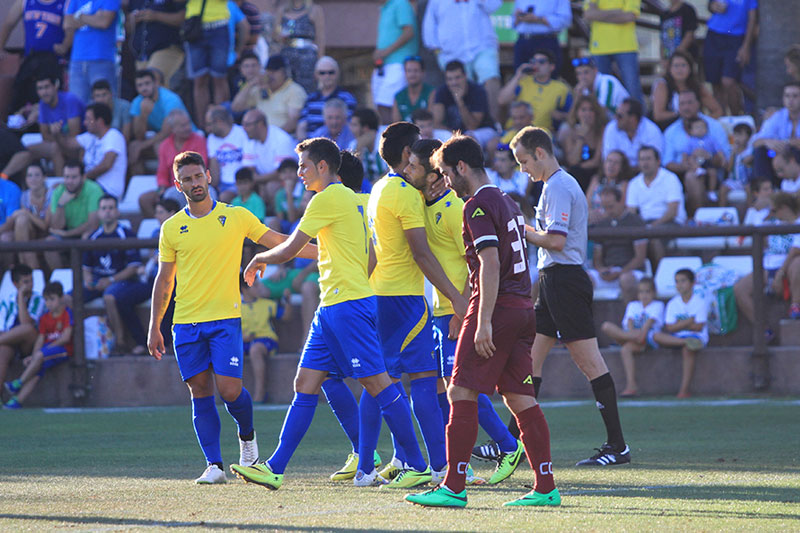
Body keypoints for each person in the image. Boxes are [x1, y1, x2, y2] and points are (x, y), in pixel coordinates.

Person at [229, 137, 431, 489]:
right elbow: (350, 253)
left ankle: (416, 463)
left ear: (323, 166)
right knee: (305, 383)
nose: (299, 174)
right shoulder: (358, 200)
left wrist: (259, 257)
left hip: (347, 305)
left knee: (378, 382)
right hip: (335, 305)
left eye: (304, 167)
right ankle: (275, 466)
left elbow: (291, 247)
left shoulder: (326, 198)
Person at [406, 134, 560, 508]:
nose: (443, 182)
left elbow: (490, 264)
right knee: (520, 397)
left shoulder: (476, 205)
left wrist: (484, 321)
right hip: (522, 307)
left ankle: (454, 486)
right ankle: (545, 486)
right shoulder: (507, 201)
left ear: (461, 168)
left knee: (460, 392)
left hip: (498, 308)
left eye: (444, 173)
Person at [147, 150, 314, 484]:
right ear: (177, 185)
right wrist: (155, 326)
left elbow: (278, 241)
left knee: (230, 390)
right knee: (200, 391)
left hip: (225, 319)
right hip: (186, 323)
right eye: (187, 179)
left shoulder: (235, 216)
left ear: (208, 176)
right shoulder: (171, 228)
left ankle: (247, 439)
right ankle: (214, 465)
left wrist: (326, 250)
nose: (195, 183)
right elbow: (164, 280)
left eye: (198, 176)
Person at [511, 126, 630, 466]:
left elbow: (557, 241)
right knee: (530, 361)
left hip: (564, 279)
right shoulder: (553, 186)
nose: (523, 170)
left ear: (540, 153)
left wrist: (523, 229)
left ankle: (618, 446)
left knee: (588, 361)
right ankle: (511, 444)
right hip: (555, 280)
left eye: (523, 161)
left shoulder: (559, 186)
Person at [367, 122, 469, 486]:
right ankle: (431, 464)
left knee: (384, 381)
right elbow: (422, 255)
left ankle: (392, 460)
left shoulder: (380, 187)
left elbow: (373, 251)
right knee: (424, 381)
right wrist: (459, 298)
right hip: (405, 298)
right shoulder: (406, 195)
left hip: (380, 295)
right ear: (409, 154)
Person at [82, 195, 150, 354]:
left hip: (123, 282)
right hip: (98, 282)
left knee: (110, 296)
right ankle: (74, 347)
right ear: (98, 212)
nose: (107, 212)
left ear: (117, 212)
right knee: (69, 298)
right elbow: (86, 267)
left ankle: (120, 342)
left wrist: (111, 280)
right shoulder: (93, 237)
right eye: (104, 208)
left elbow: (134, 267)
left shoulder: (126, 234)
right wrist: (88, 280)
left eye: (111, 208)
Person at [422, 0, 502, 122]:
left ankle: (494, 123)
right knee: (461, 87)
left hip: (482, 46)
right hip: (452, 52)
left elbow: (495, 5)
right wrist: (438, 49)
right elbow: (429, 25)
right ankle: (466, 130)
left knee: (491, 78)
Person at [735, 191, 800, 330]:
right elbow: (756, 230)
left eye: (774, 210)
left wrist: (780, 274)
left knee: (797, 263)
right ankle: (763, 329)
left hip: (789, 268)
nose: (772, 213)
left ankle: (796, 305)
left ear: (784, 208)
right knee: (740, 289)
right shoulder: (771, 223)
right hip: (768, 267)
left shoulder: (798, 223)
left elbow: (795, 250)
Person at [3, 281, 72, 409]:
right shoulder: (44, 318)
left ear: (61, 298)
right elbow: (40, 339)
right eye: (46, 300)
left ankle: (18, 383)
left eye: (52, 299)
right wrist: (34, 356)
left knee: (39, 358)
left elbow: (66, 338)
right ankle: (17, 401)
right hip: (45, 353)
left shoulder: (67, 314)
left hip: (63, 351)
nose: (49, 303)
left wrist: (42, 352)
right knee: (36, 372)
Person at [1, 74, 84, 179]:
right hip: (59, 141)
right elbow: (45, 136)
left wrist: (56, 135)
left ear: (56, 86)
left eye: (47, 87)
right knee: (26, 152)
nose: (44, 92)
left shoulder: (70, 100)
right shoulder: (43, 104)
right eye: (40, 88)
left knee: (55, 148)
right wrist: (57, 136)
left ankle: (59, 183)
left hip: (79, 146)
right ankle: (27, 187)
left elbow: (73, 136)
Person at [662, 90, 730, 215]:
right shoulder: (671, 131)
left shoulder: (714, 126)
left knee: (693, 177)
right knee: (691, 176)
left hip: (712, 172)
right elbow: (666, 162)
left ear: (698, 104)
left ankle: (700, 221)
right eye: (682, 104)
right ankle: (701, 221)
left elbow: (726, 161)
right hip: (680, 174)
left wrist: (709, 157)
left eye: (690, 103)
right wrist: (687, 165)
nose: (686, 107)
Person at [0, 0, 67, 116]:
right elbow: (8, 24)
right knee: (23, 96)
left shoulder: (65, 3)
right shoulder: (25, 2)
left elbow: (71, 29)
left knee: (51, 97)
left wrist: (65, 46)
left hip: (53, 61)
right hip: (31, 60)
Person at [599, 277, 664, 397]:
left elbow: (648, 324)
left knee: (625, 349)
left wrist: (639, 335)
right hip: (632, 336)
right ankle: (632, 386)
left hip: (648, 339)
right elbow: (629, 323)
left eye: (647, 291)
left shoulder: (657, 305)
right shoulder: (633, 305)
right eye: (641, 292)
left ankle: (631, 386)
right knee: (606, 326)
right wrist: (633, 335)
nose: (644, 295)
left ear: (654, 293)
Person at [625, 146, 687, 270]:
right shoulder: (634, 183)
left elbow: (673, 211)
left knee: (654, 238)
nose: (645, 163)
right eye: (642, 159)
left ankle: (658, 276)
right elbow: (631, 212)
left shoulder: (670, 178)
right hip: (644, 224)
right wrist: (642, 226)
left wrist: (652, 227)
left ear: (658, 161)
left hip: (671, 222)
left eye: (648, 159)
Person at [140, 109, 208, 217]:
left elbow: (200, 166)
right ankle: (161, 226)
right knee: (144, 199)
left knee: (172, 195)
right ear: (173, 129)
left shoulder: (199, 140)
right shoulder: (165, 145)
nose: (187, 128)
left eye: (188, 124)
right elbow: (162, 172)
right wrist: (161, 187)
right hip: (171, 187)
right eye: (182, 126)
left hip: (193, 184)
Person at [652, 268, 708, 398]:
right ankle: (685, 342)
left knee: (687, 350)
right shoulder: (673, 303)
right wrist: (689, 321)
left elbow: (698, 326)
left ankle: (684, 390)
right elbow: (670, 328)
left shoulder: (700, 301)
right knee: (655, 335)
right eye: (677, 281)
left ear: (693, 283)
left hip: (697, 336)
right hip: (678, 338)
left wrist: (679, 324)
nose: (679, 285)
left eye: (683, 281)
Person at [587, 186, 647, 303]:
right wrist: (601, 270)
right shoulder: (602, 224)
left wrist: (621, 272)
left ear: (621, 202)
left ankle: (628, 317)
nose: (608, 211)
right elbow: (597, 257)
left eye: (611, 206)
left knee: (626, 280)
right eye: (604, 207)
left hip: (631, 270)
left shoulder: (635, 221)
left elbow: (640, 258)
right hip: (609, 271)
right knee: (583, 279)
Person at [129, 69, 192, 173]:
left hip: (183, 134)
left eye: (147, 83)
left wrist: (142, 145)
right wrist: (143, 116)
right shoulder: (137, 102)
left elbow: (167, 132)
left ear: (155, 83)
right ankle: (138, 184)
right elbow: (138, 135)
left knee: (159, 145)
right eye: (140, 85)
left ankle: (168, 180)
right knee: (133, 146)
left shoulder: (170, 99)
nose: (144, 88)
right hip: (161, 137)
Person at [582, 0, 643, 104]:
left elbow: (629, 16)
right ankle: (603, 120)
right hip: (599, 48)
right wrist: (616, 12)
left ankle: (639, 120)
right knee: (599, 91)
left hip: (626, 47)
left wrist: (599, 14)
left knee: (633, 92)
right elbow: (587, 14)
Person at [45, 161, 103, 269]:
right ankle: (63, 278)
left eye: (74, 177)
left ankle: (85, 277)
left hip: (91, 233)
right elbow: (56, 226)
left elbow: (93, 225)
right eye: (66, 177)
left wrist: (67, 234)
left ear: (83, 177)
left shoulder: (94, 189)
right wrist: (61, 205)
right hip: (68, 234)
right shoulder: (59, 191)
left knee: (86, 237)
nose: (69, 181)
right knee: (49, 243)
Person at [703, 0, 758, 115]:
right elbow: (711, 5)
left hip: (736, 37)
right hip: (714, 34)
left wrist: (746, 46)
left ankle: (736, 117)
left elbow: (752, 18)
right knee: (715, 82)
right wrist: (714, 6)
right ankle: (722, 119)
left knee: (728, 81)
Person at [498, 49, 571, 134]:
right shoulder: (523, 82)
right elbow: (501, 100)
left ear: (552, 67)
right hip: (515, 131)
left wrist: (560, 116)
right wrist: (518, 76)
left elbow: (572, 116)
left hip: (542, 134)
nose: (536, 65)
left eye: (541, 62)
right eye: (534, 61)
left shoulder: (561, 88)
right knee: (494, 144)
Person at [183, 0, 231, 129]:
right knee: (199, 80)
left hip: (219, 25)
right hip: (195, 26)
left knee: (219, 78)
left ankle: (221, 124)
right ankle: (204, 127)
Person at [240, 278, 289, 404]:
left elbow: (286, 317)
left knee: (255, 349)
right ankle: (232, 395)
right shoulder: (236, 308)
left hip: (266, 340)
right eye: (255, 285)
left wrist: (287, 301)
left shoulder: (267, 304)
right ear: (245, 289)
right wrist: (242, 337)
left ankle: (260, 393)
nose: (259, 287)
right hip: (243, 342)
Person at [64, 0, 119, 104]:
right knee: (76, 106)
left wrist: (79, 16)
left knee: (104, 106)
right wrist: (94, 17)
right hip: (77, 60)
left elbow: (104, 22)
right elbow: (67, 23)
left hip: (102, 58)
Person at [0, 264, 46, 391]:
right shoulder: (6, 301)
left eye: (32, 280)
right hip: (9, 341)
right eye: (26, 282)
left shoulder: (38, 299)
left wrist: (20, 296)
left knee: (27, 329)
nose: (30, 284)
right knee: (3, 350)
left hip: (29, 344)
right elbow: (2, 327)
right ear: (15, 284)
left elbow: (26, 322)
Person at [372, 0, 418, 124]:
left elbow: (409, 31)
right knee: (380, 105)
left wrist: (385, 51)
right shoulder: (384, 8)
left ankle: (394, 139)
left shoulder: (400, 3)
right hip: (384, 65)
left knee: (387, 105)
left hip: (399, 63)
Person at [433, 61, 496, 149]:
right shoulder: (442, 91)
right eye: (450, 79)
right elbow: (436, 123)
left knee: (468, 139)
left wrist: (460, 101)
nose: (454, 82)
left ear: (465, 76)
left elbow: (472, 126)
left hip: (482, 129)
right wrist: (453, 134)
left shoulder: (478, 91)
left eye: (457, 78)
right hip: (453, 132)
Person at [652, 51, 723, 130]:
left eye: (683, 65)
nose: (679, 69)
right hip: (669, 129)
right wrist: (682, 114)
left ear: (690, 69)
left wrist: (702, 122)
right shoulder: (662, 85)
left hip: (695, 130)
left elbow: (717, 111)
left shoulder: (698, 87)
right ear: (669, 69)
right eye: (676, 66)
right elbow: (658, 115)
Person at [72, 103, 128, 199]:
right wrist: (57, 134)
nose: (85, 123)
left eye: (88, 119)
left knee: (65, 192)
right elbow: (68, 144)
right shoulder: (90, 136)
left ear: (100, 121)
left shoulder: (114, 135)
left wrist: (82, 179)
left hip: (108, 191)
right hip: (91, 186)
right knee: (58, 189)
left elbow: (106, 165)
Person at [127, 0, 187, 87]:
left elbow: (184, 17)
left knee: (152, 81)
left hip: (167, 48)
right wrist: (132, 19)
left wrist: (156, 16)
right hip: (141, 53)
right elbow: (128, 28)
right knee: (144, 88)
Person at [750, 82, 800, 183]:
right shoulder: (778, 116)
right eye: (787, 96)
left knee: (792, 151)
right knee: (761, 151)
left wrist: (786, 143)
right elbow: (755, 142)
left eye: (795, 96)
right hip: (779, 155)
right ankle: (765, 188)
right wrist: (767, 141)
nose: (790, 100)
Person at [296, 56, 357, 140]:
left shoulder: (347, 98)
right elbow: (301, 126)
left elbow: (348, 126)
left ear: (337, 74)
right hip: (312, 145)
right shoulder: (310, 99)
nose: (327, 76)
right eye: (322, 73)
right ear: (316, 75)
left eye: (331, 72)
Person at [241, 108, 298, 194]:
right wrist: (257, 181)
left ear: (260, 124)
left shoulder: (281, 139)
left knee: (271, 186)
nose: (244, 128)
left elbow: (281, 173)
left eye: (247, 125)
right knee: (245, 186)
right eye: (243, 125)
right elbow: (249, 169)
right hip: (263, 180)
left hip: (290, 181)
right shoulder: (250, 139)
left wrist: (255, 179)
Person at [248, 55, 307, 135]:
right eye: (268, 70)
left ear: (284, 72)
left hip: (282, 139)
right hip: (259, 139)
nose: (270, 75)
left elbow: (292, 122)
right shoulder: (260, 89)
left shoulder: (295, 91)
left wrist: (271, 137)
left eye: (274, 71)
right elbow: (236, 108)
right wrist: (251, 84)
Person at [556, 94, 607, 190]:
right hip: (576, 174)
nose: (587, 113)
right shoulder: (570, 132)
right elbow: (572, 161)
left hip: (595, 172)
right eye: (583, 110)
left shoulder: (602, 131)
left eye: (591, 110)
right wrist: (581, 137)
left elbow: (596, 161)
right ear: (577, 113)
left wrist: (579, 167)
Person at [275, 0, 325, 94]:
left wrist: (320, 62)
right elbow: (275, 35)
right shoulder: (282, 10)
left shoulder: (314, 10)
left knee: (307, 88)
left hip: (307, 57)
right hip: (287, 55)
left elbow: (320, 38)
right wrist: (280, 36)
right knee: (286, 88)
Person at [8, 164, 52, 270]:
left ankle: (27, 269)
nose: (33, 179)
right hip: (31, 234)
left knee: (22, 216)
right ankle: (26, 268)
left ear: (44, 177)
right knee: (21, 220)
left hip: (49, 234)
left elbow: (46, 226)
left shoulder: (52, 195)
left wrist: (26, 213)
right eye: (29, 175)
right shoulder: (24, 196)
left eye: (37, 175)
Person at [602, 98, 664, 169]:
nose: (615, 118)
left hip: (645, 174)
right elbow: (608, 158)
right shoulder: (611, 128)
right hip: (619, 174)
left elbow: (655, 161)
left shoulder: (652, 131)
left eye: (620, 116)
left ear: (632, 118)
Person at [511, 0, 571, 74]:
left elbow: (565, 20)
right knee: (521, 77)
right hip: (523, 40)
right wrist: (518, 17)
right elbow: (512, 22)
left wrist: (538, 19)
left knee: (549, 78)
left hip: (546, 40)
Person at [206, 105, 249, 202]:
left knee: (224, 198)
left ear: (219, 121)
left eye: (209, 124)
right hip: (222, 185)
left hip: (242, 182)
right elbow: (214, 168)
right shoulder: (211, 138)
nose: (207, 129)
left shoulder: (242, 133)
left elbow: (248, 163)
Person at [585, 150, 632, 224]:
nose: (611, 165)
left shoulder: (625, 184)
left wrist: (602, 217)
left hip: (613, 222)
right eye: (609, 161)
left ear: (622, 167)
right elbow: (586, 204)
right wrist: (591, 213)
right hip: (592, 219)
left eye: (616, 163)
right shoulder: (595, 180)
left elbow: (621, 207)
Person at [392, 56, 436, 123]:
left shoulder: (431, 93)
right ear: (405, 73)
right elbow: (395, 124)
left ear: (423, 73)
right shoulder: (398, 96)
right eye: (409, 71)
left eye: (416, 70)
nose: (412, 74)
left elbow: (432, 122)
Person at [348, 108, 387, 184]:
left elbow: (395, 170)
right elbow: (352, 177)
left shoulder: (387, 140)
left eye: (354, 125)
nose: (351, 129)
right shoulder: (353, 144)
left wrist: (373, 186)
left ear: (366, 128)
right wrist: (358, 149)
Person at [720, 122, 754, 206]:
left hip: (747, 181)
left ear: (748, 137)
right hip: (734, 180)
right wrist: (733, 154)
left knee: (749, 189)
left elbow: (749, 164)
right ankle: (722, 210)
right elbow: (729, 169)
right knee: (723, 189)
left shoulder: (750, 151)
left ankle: (750, 210)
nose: (737, 138)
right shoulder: (731, 151)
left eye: (741, 135)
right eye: (736, 135)